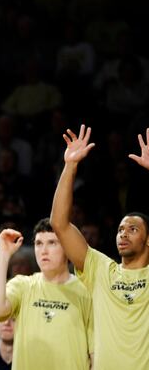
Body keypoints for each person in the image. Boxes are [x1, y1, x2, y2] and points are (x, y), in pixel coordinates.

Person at [50, 125, 149, 369]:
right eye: (120, 230)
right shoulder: (101, 269)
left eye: (133, 229)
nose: (123, 233)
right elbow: (59, 224)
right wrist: (70, 166)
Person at [0, 220, 93, 370]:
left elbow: (95, 353)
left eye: (52, 243)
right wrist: (3, 254)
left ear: (68, 248)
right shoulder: (23, 285)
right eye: (39, 243)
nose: (43, 250)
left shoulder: (86, 291)